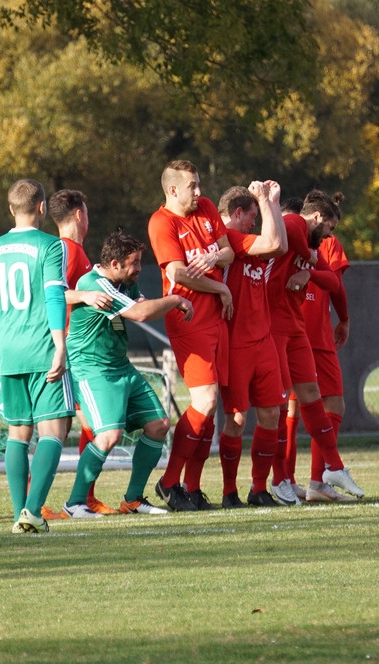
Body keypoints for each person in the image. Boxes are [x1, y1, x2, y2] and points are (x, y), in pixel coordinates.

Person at [0, 179, 73, 534]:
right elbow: (55, 297)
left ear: (11, 209)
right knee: (54, 431)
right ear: (41, 207)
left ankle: (18, 513)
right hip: (41, 350)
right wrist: (60, 345)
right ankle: (33, 511)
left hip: (8, 356)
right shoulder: (52, 246)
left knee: (18, 434)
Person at [59, 229, 193, 517]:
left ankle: (133, 499)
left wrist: (166, 301)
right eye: (134, 263)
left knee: (158, 424)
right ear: (115, 264)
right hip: (91, 369)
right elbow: (140, 314)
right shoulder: (96, 283)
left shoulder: (124, 283)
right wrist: (176, 299)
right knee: (108, 436)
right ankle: (74, 503)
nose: (138, 269)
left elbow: (141, 306)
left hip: (120, 367)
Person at [266, 190, 365, 503]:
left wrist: (309, 265)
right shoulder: (297, 229)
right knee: (283, 409)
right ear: (318, 218)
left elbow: (332, 282)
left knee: (298, 405)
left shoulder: (316, 241)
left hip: (298, 329)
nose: (330, 234)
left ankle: (310, 478)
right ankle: (281, 480)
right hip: (291, 331)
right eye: (330, 227)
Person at [147, 160, 235, 511]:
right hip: (189, 319)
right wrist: (220, 288)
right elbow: (179, 275)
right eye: (192, 186)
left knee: (210, 410)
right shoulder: (161, 222)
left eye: (199, 185)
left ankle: (192, 488)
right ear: (172, 190)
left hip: (217, 320)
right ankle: (168, 483)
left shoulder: (208, 207)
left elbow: (228, 252)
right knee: (205, 402)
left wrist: (215, 254)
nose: (199, 192)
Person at [41, 189, 116, 518]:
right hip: (70, 351)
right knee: (68, 427)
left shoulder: (75, 252)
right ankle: (51, 501)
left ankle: (84, 496)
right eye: (86, 211)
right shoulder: (66, 251)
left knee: (88, 426)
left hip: (79, 350)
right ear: (78, 215)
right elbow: (54, 296)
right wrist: (85, 296)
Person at [216, 181, 289, 508]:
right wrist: (262, 199)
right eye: (251, 217)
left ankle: (258, 488)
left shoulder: (252, 241)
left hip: (263, 342)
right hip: (236, 343)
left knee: (272, 413)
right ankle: (229, 490)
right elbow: (272, 240)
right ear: (237, 213)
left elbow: (281, 246)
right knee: (237, 419)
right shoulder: (230, 237)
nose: (254, 223)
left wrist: (272, 202)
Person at [286, 230, 356, 503]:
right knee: (333, 406)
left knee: (290, 408)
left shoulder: (285, 235)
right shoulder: (327, 241)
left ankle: (285, 481)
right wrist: (345, 319)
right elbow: (336, 285)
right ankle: (317, 481)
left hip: (289, 329)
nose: (330, 228)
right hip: (315, 334)